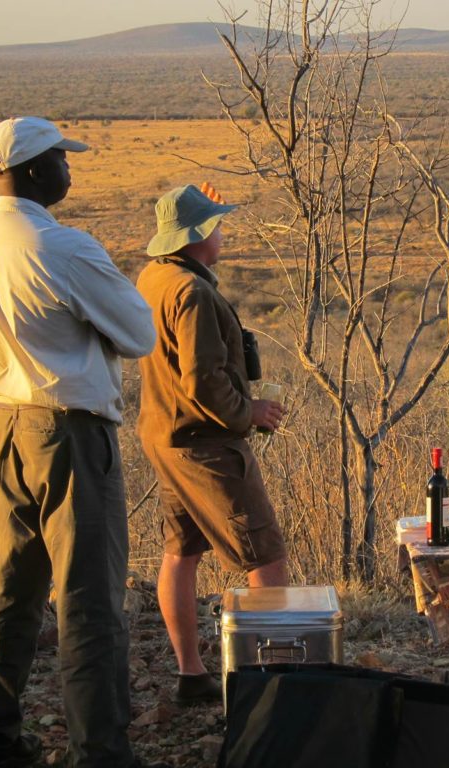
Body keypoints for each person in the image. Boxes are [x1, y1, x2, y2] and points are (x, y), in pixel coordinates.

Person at [0, 117, 158, 768]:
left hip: (6, 423)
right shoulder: (62, 247)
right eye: (63, 162)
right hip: (67, 429)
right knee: (90, 596)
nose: (71, 171)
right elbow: (139, 333)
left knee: (12, 585)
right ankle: (100, 751)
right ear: (38, 170)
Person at [136, 183, 288, 706]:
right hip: (207, 444)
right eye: (216, 225)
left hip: (165, 436)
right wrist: (252, 413)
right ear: (199, 236)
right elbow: (204, 382)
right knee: (264, 553)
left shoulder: (154, 278)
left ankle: (192, 674)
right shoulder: (193, 293)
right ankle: (268, 684)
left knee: (181, 552)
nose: (223, 233)